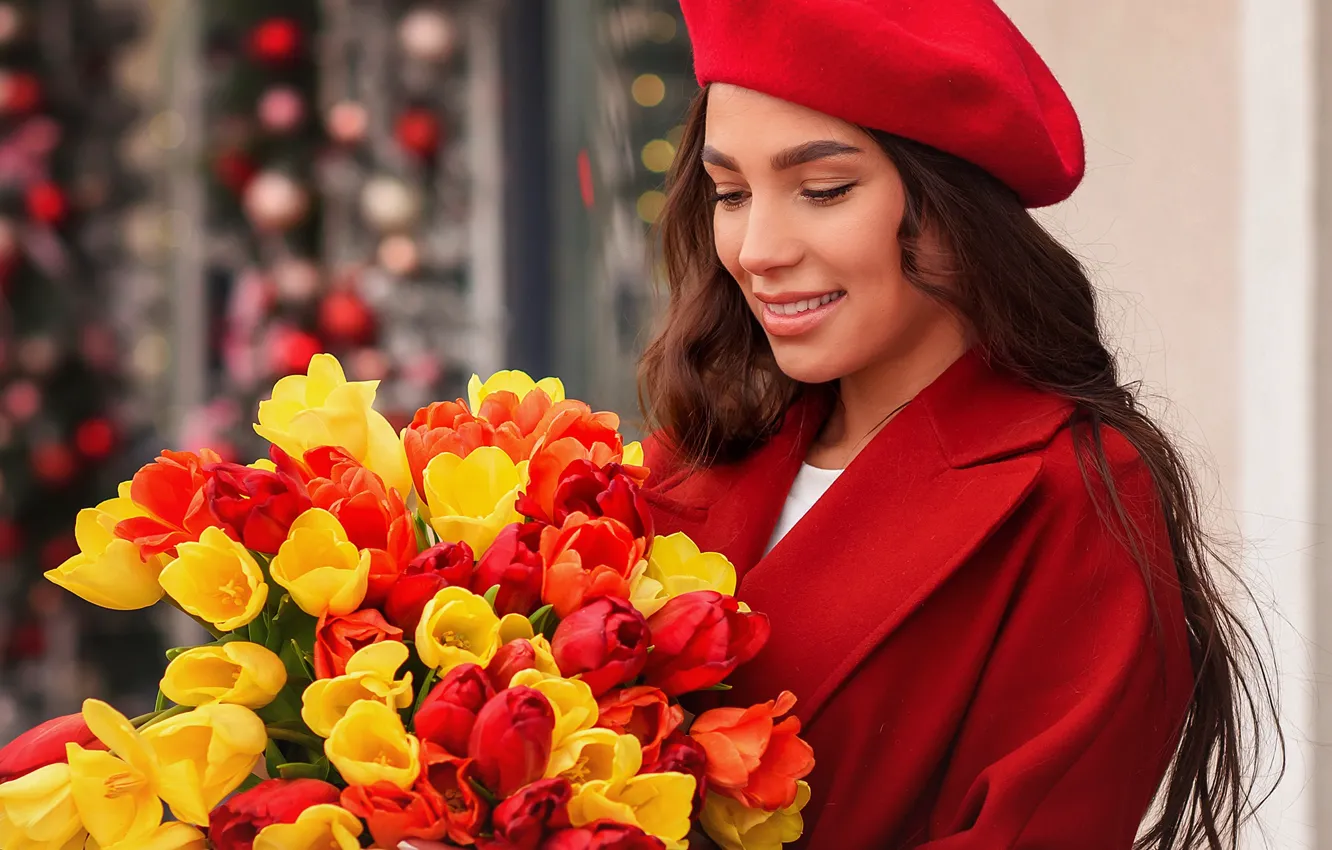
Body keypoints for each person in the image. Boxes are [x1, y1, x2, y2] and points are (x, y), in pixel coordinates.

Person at [638, 2, 1279, 848]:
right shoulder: (692, 455)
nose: (757, 248)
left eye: (823, 190)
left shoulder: (1073, 491)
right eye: (731, 194)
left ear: (953, 199)